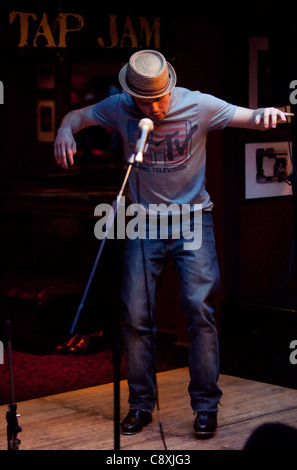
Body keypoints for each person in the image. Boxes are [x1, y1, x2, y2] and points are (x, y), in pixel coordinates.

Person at [54, 50, 292, 439]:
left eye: (160, 98)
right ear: (132, 96)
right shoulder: (119, 107)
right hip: (143, 224)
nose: (155, 107)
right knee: (135, 316)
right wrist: (65, 129)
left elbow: (249, 117)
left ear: (170, 85)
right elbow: (78, 117)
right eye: (145, 101)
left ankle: (205, 406)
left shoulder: (199, 105)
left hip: (193, 221)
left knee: (199, 310)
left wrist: (265, 116)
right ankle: (140, 405)